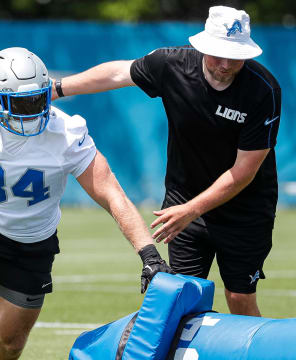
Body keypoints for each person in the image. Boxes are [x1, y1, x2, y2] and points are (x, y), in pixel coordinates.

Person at [0, 47, 172, 359]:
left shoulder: (66, 133)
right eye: (18, 103)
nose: (30, 111)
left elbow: (110, 193)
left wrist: (150, 254)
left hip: (30, 243)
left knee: (8, 345)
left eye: (36, 99)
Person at [51, 6, 282, 317]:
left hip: (244, 208)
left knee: (239, 298)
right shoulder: (171, 64)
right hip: (182, 201)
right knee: (183, 298)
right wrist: (56, 89)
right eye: (218, 54)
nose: (226, 64)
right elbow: (117, 72)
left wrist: (192, 211)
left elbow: (243, 172)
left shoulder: (263, 90)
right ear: (203, 45)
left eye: (235, 55)